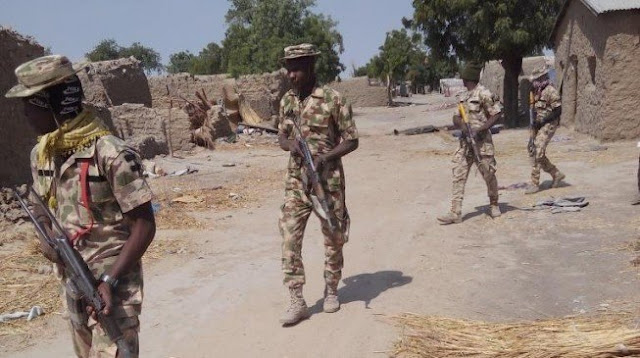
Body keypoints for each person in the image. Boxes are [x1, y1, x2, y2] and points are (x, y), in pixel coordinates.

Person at [5, 55, 156, 357]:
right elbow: (40, 206)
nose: (24, 114)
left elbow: (145, 224)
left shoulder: (110, 153)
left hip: (112, 287)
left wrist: (109, 280)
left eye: (29, 104)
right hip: (72, 281)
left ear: (51, 104)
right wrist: (48, 241)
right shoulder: (43, 154)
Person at [277, 44, 358, 326]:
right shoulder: (287, 100)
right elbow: (282, 138)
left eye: (297, 68)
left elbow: (352, 139)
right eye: (289, 68)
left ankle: (332, 289)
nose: (291, 74)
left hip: (328, 182)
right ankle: (297, 299)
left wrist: (326, 157)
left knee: (333, 236)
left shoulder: (333, 99)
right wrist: (293, 146)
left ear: (311, 67)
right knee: (289, 238)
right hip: (296, 182)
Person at [437, 62, 503, 225]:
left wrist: (480, 129)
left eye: (464, 77)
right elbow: (456, 117)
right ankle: (455, 212)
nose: (462, 80)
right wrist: (463, 126)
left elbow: (496, 114)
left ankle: (494, 204)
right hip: (465, 144)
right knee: (458, 175)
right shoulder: (462, 96)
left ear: (469, 78)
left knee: (488, 174)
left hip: (482, 144)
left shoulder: (484, 94)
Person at [525, 67, 565, 194]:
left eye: (536, 80)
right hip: (537, 124)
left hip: (548, 124)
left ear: (542, 78)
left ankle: (534, 183)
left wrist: (542, 121)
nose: (534, 82)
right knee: (533, 151)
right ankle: (556, 173)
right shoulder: (536, 91)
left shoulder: (550, 91)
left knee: (537, 150)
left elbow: (558, 111)